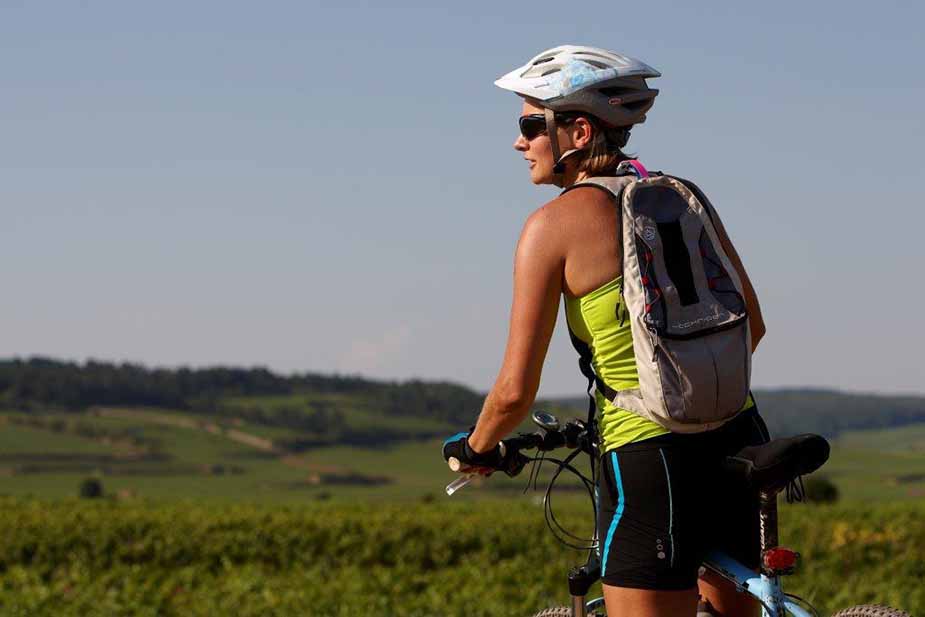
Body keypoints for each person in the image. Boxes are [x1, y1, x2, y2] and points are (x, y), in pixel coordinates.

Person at [442, 45, 770, 617]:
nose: (519, 142)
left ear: (577, 132)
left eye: (528, 125)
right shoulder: (682, 198)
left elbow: (516, 392)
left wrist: (475, 447)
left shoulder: (551, 229)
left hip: (649, 455)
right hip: (740, 437)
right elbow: (753, 325)